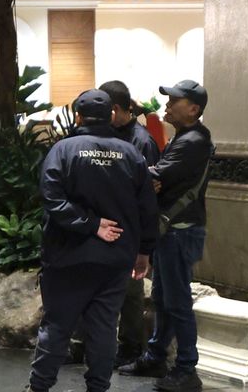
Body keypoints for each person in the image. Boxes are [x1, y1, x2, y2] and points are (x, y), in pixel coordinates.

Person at [27, 89, 158, 392]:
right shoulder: (130, 154)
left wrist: (89, 224)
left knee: (57, 326)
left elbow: (52, 197)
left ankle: (39, 388)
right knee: (103, 329)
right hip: (114, 260)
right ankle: (98, 388)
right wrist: (144, 251)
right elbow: (147, 208)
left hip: (67, 257)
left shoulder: (63, 150)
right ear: (112, 114)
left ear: (77, 116)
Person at [119, 80, 213, 392]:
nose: (167, 106)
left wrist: (144, 174)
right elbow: (156, 178)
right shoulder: (184, 137)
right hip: (171, 231)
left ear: (194, 109)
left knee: (177, 301)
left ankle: (186, 368)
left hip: (180, 232)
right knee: (163, 298)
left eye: (175, 101)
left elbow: (154, 177)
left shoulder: (194, 141)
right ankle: (157, 355)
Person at [102, 80, 160, 367]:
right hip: (105, 227)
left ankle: (131, 347)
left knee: (131, 292)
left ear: (114, 109)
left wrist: (143, 243)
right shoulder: (106, 135)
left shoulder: (142, 140)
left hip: (130, 229)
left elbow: (148, 195)